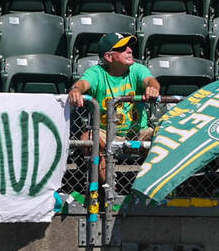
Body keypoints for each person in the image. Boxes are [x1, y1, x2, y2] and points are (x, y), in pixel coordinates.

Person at [67, 32, 161, 186]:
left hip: (138, 132)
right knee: (87, 138)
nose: (129, 50)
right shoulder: (97, 72)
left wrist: (152, 88)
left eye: (129, 46)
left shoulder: (137, 69)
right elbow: (82, 84)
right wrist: (76, 90)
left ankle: (151, 189)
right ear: (109, 57)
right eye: (122, 48)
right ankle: (108, 189)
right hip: (107, 133)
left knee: (159, 137)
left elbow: (151, 81)